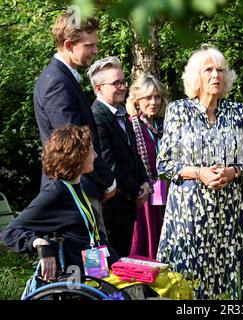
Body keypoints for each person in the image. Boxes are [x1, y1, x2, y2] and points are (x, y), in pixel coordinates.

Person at [156, 44, 243, 299]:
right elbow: (164, 164)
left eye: (220, 70)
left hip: (227, 216)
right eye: (208, 69)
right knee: (189, 284)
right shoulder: (178, 110)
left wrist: (232, 172)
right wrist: (199, 173)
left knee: (227, 285)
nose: (215, 75)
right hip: (188, 217)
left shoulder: (237, 111)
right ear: (195, 77)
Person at [33, 12, 116, 240]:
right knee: (88, 265)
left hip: (79, 187)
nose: (95, 50)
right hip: (71, 192)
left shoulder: (62, 78)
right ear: (68, 45)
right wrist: (108, 181)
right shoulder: (56, 83)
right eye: (90, 45)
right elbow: (76, 145)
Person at [2, 125, 119, 282]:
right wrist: (39, 243)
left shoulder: (77, 186)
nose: (96, 155)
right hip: (77, 279)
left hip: (96, 270)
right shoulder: (55, 193)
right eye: (91, 150)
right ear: (77, 156)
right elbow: (10, 232)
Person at [87, 56, 150, 258]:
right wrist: (135, 191)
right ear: (99, 88)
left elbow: (134, 154)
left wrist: (145, 183)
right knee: (110, 265)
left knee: (122, 259)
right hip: (111, 207)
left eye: (123, 81)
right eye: (116, 83)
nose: (123, 87)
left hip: (127, 205)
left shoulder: (123, 114)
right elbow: (107, 162)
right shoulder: (96, 117)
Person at [125, 73, 168, 259]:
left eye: (157, 96)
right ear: (136, 100)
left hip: (166, 196)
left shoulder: (164, 126)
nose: (153, 102)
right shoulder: (132, 126)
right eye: (148, 97)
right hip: (143, 199)